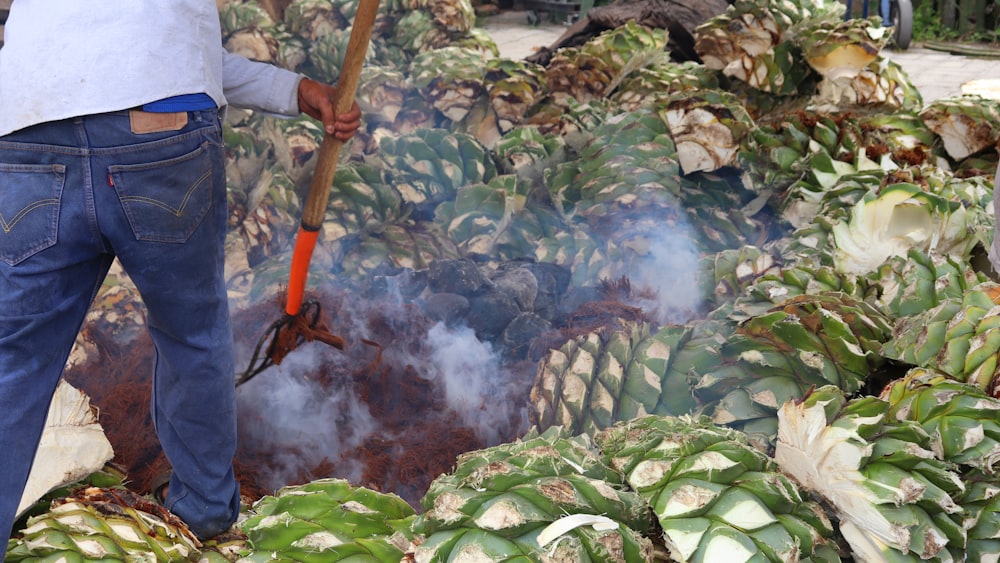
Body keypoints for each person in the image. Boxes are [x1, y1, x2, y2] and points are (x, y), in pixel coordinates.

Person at [0, 2, 362, 557]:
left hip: (27, 125)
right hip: (159, 129)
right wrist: (296, 89)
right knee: (191, 335)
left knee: (14, 363)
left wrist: (295, 90)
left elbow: (161, 47)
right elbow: (171, 53)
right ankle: (203, 517)